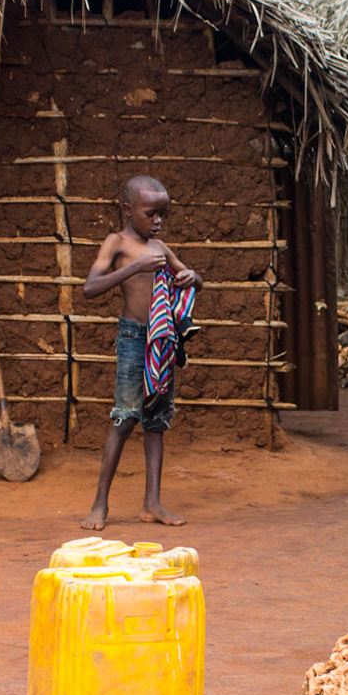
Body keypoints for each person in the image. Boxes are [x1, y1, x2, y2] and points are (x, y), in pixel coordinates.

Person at [81, 175, 201, 529]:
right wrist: (135, 267)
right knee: (125, 418)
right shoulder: (116, 243)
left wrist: (191, 277)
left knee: (156, 422)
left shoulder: (162, 249)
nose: (159, 222)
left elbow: (196, 281)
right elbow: (90, 287)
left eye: (163, 215)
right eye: (152, 214)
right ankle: (99, 505)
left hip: (161, 340)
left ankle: (152, 503)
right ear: (128, 210)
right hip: (134, 338)